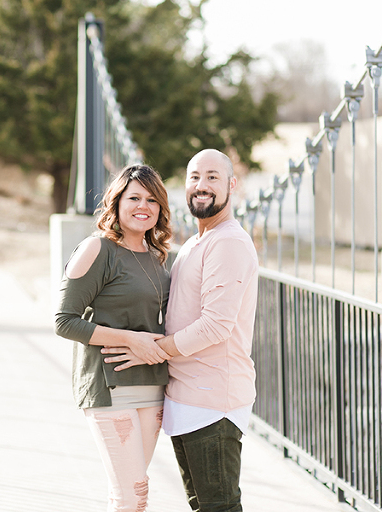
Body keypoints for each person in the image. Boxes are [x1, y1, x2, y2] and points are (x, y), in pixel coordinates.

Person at [103, 149, 259, 512]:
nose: (201, 186)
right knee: (203, 505)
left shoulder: (229, 242)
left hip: (213, 401)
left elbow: (215, 326)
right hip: (188, 396)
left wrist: (152, 349)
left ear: (232, 185)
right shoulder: (196, 242)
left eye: (212, 177)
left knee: (219, 506)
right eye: (194, 177)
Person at [54, 164, 173, 512]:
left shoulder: (157, 259)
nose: (143, 206)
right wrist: (130, 340)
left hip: (152, 386)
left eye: (152, 199)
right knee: (133, 493)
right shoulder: (97, 249)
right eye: (134, 197)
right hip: (110, 387)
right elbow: (65, 321)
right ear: (116, 202)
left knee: (128, 491)